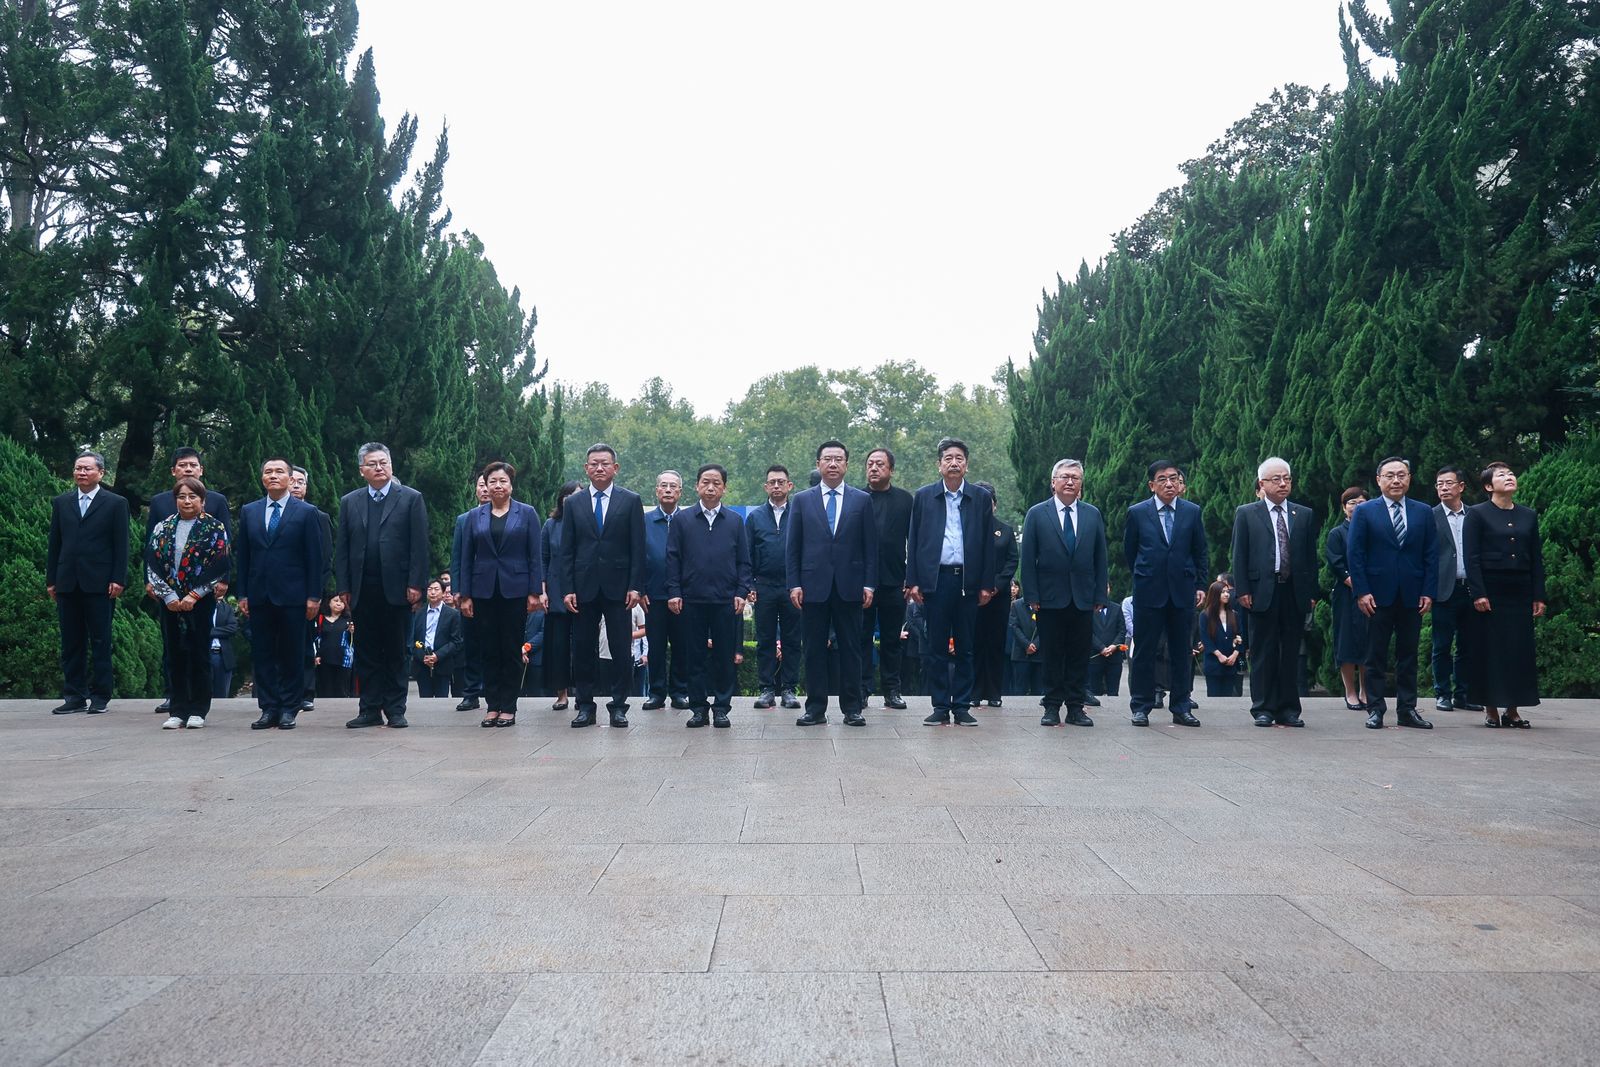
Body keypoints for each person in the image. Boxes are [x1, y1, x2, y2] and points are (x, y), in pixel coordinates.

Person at [335, 442, 429, 729]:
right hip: (363, 588)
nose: (379, 468)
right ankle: (370, 709)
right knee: (367, 652)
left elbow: (419, 546)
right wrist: (344, 586)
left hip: (398, 588)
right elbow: (343, 548)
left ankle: (396, 709)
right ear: (361, 470)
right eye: (372, 464)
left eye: (383, 462)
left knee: (397, 651)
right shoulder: (350, 501)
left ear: (391, 465)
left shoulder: (411, 498)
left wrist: (417, 584)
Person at [785, 439, 879, 726]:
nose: (833, 464)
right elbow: (793, 546)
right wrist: (794, 583)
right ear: (818, 464)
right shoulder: (802, 500)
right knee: (813, 649)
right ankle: (815, 708)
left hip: (850, 586)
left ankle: (852, 708)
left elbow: (870, 547)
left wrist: (869, 584)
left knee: (851, 648)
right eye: (828, 459)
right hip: (812, 586)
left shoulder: (861, 500)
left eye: (839, 459)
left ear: (847, 465)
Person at [905, 438, 998, 726]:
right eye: (948, 458)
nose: (954, 463)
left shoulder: (979, 498)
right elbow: (914, 539)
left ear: (966, 465)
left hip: (968, 581)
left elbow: (987, 544)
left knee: (966, 647)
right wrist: (913, 581)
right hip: (936, 580)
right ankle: (940, 706)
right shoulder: (924, 496)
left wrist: (987, 584)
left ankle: (961, 706)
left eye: (959, 458)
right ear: (939, 465)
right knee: (936, 647)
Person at [558, 443, 646, 728]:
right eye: (593, 464)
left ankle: (619, 706)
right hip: (583, 587)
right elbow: (567, 549)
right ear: (586, 468)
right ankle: (585, 705)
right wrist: (567, 588)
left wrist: (636, 586)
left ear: (615, 468)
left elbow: (638, 547)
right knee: (583, 649)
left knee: (620, 649)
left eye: (605, 463)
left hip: (619, 588)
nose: (599, 468)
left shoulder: (630, 501)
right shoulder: (573, 503)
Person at [234, 457, 325, 730]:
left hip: (294, 596)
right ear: (262, 478)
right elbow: (244, 556)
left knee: (291, 654)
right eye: (268, 471)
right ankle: (268, 707)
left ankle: (289, 708)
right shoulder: (249, 511)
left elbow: (315, 558)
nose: (273, 475)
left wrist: (314, 596)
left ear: (290, 478)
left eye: (279, 471)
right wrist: (242, 594)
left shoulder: (306, 512)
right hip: (259, 595)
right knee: (263, 654)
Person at [1348, 456, 1438, 730]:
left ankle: (1407, 709)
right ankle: (1375, 709)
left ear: (1409, 478)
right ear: (1379, 480)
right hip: (1376, 595)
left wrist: (1428, 591)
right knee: (1375, 654)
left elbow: (1431, 554)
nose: (1396, 480)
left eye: (1402, 475)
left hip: (1413, 594)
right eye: (1390, 475)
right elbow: (1355, 553)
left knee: (1408, 655)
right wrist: (1362, 591)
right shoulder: (1365, 511)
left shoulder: (1423, 511)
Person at [1229, 457, 1319, 727]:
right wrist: (1242, 589)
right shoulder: (1247, 513)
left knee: (1291, 652)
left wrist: (1311, 592)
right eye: (1276, 479)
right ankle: (1263, 708)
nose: (1282, 484)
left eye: (1287, 479)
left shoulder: (1303, 514)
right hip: (1260, 591)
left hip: (1294, 590)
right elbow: (1239, 554)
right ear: (1262, 483)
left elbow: (1310, 557)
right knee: (1263, 651)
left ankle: (1289, 709)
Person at [1019, 458, 1109, 727]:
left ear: (1081, 484)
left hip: (1083, 598)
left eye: (1075, 478)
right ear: (1053, 482)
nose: (1070, 482)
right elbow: (1028, 558)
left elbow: (1100, 557)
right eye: (1065, 477)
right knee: (1052, 654)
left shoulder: (1092, 514)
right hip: (1048, 597)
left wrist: (1100, 595)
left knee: (1079, 654)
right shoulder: (1037, 513)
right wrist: (1031, 595)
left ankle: (1076, 707)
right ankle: (1051, 706)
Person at [145, 447, 233, 715]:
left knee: (198, 650)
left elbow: (222, 556)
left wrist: (199, 592)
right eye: (181, 497)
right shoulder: (163, 522)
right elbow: (152, 556)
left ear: (202, 500)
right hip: (170, 596)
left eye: (192, 497)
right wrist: (165, 592)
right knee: (173, 650)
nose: (186, 501)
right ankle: (176, 705)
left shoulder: (214, 521)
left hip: (200, 595)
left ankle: (198, 708)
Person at [458, 460, 546, 727]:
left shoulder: (527, 513)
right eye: (492, 481)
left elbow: (535, 555)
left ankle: (508, 706)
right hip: (483, 591)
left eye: (502, 481)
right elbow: (465, 558)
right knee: (488, 650)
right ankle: (492, 705)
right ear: (485, 485)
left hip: (515, 591)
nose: (497, 485)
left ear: (511, 484)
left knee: (510, 649)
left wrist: (535, 591)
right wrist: (464, 595)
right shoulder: (474, 516)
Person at [1123, 459, 1208, 727]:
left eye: (1173, 478)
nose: (1169, 483)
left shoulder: (1192, 511)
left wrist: (1200, 585)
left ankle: (1181, 706)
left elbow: (1200, 551)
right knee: (1144, 650)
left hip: (1182, 591)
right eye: (1162, 479)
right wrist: (1145, 575)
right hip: (1149, 592)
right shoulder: (1137, 513)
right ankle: (1141, 706)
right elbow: (1130, 552)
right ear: (1152, 485)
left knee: (1182, 651)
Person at [667, 463, 752, 728]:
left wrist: (741, 592)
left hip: (726, 600)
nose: (711, 487)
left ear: (724, 488)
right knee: (694, 657)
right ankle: (698, 709)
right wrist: (674, 591)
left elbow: (744, 561)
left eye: (717, 483)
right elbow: (673, 558)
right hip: (691, 599)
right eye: (706, 482)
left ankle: (722, 708)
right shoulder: (682, 520)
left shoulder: (735, 521)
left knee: (724, 658)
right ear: (696, 486)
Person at [47, 451, 131, 716]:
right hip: (67, 581)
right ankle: (74, 695)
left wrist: (118, 578)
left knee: (100, 640)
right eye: (78, 468)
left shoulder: (116, 503)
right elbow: (55, 543)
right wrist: (52, 579)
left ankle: (100, 696)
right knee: (71, 641)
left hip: (100, 582)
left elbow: (122, 544)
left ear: (101, 473)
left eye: (87, 469)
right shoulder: (62, 502)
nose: (81, 473)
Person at [1464, 461, 1545, 728]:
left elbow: (1536, 558)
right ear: (1489, 486)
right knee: (1490, 649)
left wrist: (1538, 595)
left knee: (1518, 649)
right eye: (1501, 475)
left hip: (1520, 590)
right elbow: (1471, 557)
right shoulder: (1477, 514)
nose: (1509, 477)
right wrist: (1478, 592)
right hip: (1491, 590)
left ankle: (1513, 710)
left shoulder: (1528, 515)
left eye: (1511, 474)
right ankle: (1490, 708)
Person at [746, 465, 803, 709]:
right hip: (765, 586)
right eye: (772, 482)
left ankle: (789, 689)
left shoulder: (799, 513)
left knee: (792, 640)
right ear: (766, 487)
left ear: (790, 486)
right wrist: (749, 584)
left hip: (793, 587)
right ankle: (766, 689)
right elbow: (747, 554)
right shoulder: (755, 517)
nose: (777, 486)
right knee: (765, 640)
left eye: (781, 482)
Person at [1430, 466, 1485, 713]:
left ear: (1461, 486)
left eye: (1448, 483)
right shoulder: (1430, 516)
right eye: (1439, 484)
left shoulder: (1475, 515)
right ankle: (1442, 693)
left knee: (1468, 644)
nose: (1443, 488)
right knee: (1441, 645)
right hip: (1444, 589)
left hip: (1471, 589)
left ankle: (1464, 694)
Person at [861, 448, 913, 709]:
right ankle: (861, 689)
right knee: (862, 639)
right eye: (870, 464)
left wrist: (912, 579)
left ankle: (892, 690)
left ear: (891, 470)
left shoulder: (905, 500)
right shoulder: (856, 498)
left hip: (895, 582)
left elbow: (915, 541)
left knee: (892, 640)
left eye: (880, 464)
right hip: (862, 584)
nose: (874, 468)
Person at [641, 470, 691, 711]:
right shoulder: (644, 521)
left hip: (684, 595)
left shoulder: (690, 520)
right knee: (656, 646)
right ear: (657, 490)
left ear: (680, 492)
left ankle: (679, 692)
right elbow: (637, 557)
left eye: (673, 486)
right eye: (664, 485)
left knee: (682, 645)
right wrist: (640, 589)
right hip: (653, 595)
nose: (668, 490)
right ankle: (657, 692)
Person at [288, 465, 332, 714]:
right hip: (276, 591)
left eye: (301, 482)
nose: (296, 485)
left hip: (306, 594)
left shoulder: (318, 516)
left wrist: (315, 593)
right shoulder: (265, 513)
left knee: (305, 643)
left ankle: (305, 693)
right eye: (292, 480)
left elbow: (325, 560)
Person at [971, 483, 1018, 708]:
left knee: (995, 644)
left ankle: (994, 692)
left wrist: (995, 586)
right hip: (972, 595)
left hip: (998, 596)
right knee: (974, 643)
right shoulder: (966, 528)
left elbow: (1012, 560)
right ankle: (974, 691)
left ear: (994, 505)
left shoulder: (1005, 530)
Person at [1325, 487, 1371, 710]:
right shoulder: (1337, 533)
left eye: (1362, 502)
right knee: (1346, 642)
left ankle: (1365, 691)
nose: (1357, 506)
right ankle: (1350, 692)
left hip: (1373, 593)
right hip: (1346, 593)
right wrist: (1358, 585)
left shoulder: (1374, 531)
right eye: (1352, 503)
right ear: (1344, 507)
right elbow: (1336, 564)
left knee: (1368, 642)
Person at [449, 475, 492, 711]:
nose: (486, 489)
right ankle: (472, 692)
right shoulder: (464, 520)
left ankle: (497, 691)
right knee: (472, 643)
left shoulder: (512, 517)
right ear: (475, 489)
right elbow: (457, 558)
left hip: (500, 590)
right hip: (471, 592)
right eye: (481, 485)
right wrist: (457, 590)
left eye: (490, 484)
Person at [541, 481, 582, 710]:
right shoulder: (551, 525)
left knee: (583, 645)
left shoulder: (587, 523)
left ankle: (583, 693)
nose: (571, 499)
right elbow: (543, 559)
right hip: (556, 592)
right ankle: (561, 694)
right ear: (561, 499)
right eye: (568, 495)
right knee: (558, 646)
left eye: (577, 495)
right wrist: (542, 591)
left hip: (583, 590)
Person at [410, 579, 463, 699]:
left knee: (441, 699)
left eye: (436, 589)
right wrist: (423, 656)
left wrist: (438, 655)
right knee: (424, 700)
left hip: (443, 663)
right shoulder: (418, 613)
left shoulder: (453, 614)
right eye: (430, 589)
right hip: (422, 663)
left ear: (443, 593)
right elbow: (412, 640)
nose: (433, 592)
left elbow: (456, 641)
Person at [1196, 581, 1244, 698]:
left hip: (1231, 663)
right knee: (1214, 697)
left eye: (1227, 592)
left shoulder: (1234, 615)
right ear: (1215, 594)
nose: (1227, 594)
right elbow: (1205, 638)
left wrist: (1235, 654)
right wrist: (1219, 655)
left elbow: (1241, 635)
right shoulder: (1205, 615)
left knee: (1229, 698)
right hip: (1213, 663)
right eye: (1223, 592)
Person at [314, 594, 354, 697]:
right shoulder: (320, 619)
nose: (339, 603)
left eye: (342, 602)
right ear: (329, 603)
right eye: (336, 601)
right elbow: (317, 638)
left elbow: (352, 641)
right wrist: (316, 655)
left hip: (343, 660)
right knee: (325, 691)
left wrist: (352, 632)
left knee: (342, 691)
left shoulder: (349, 620)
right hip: (324, 659)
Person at [1006, 582, 1041, 696]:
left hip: (1039, 654)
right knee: (1019, 690)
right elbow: (1014, 626)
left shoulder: (1044, 604)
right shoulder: (1016, 605)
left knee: (1038, 690)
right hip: (1021, 654)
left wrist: (1035, 644)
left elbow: (1048, 627)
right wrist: (1026, 644)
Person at [210, 597, 240, 699]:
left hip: (222, 655)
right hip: (204, 654)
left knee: (221, 696)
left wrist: (210, 631)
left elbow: (232, 628)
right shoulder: (197, 608)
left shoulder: (226, 608)